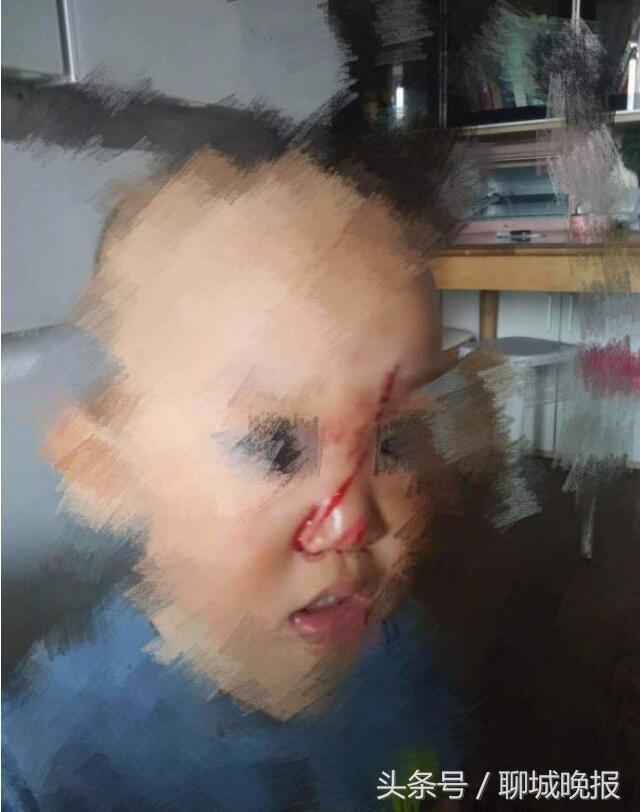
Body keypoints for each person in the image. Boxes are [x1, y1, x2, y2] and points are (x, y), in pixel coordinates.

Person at [3, 142, 468, 811]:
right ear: (102, 470)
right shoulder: (48, 755)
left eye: (392, 443)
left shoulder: (399, 652)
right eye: (276, 449)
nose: (352, 522)